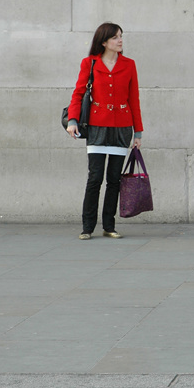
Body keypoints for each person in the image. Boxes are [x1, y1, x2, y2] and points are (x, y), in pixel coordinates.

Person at [66, 22, 143, 240]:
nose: (120, 40)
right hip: (97, 127)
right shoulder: (89, 63)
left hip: (121, 129)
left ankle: (109, 225)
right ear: (104, 41)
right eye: (116, 37)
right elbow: (78, 93)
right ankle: (87, 226)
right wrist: (72, 119)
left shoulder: (129, 64)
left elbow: (134, 99)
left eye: (121, 36)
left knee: (114, 179)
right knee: (95, 178)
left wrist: (138, 133)